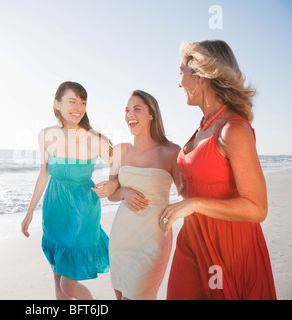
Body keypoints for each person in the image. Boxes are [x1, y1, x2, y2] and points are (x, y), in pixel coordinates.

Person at [158, 40, 277, 299]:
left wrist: (195, 204)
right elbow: (191, 185)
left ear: (201, 75)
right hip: (192, 241)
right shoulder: (203, 127)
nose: (179, 82)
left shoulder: (233, 129)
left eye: (182, 73)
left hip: (229, 248)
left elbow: (257, 209)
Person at [21, 81, 118, 300]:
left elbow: (122, 164)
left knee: (68, 286)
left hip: (82, 213)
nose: (78, 107)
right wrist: (29, 212)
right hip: (54, 209)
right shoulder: (45, 135)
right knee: (58, 280)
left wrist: (114, 184)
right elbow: (44, 174)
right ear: (57, 104)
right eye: (72, 101)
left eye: (82, 102)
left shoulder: (95, 140)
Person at [101, 90, 181, 300]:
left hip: (154, 237)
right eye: (127, 110)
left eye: (137, 109)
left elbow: (186, 195)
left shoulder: (172, 152)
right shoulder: (120, 150)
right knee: (120, 296)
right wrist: (123, 191)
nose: (130, 114)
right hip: (122, 235)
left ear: (152, 114)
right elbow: (111, 194)